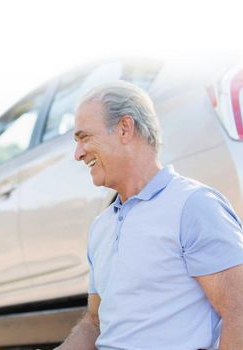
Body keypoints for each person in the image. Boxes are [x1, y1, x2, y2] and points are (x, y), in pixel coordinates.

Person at [58, 81, 243, 350]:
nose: (78, 154)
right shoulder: (101, 226)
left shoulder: (194, 206)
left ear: (124, 128)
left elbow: (238, 311)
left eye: (84, 137)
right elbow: (95, 323)